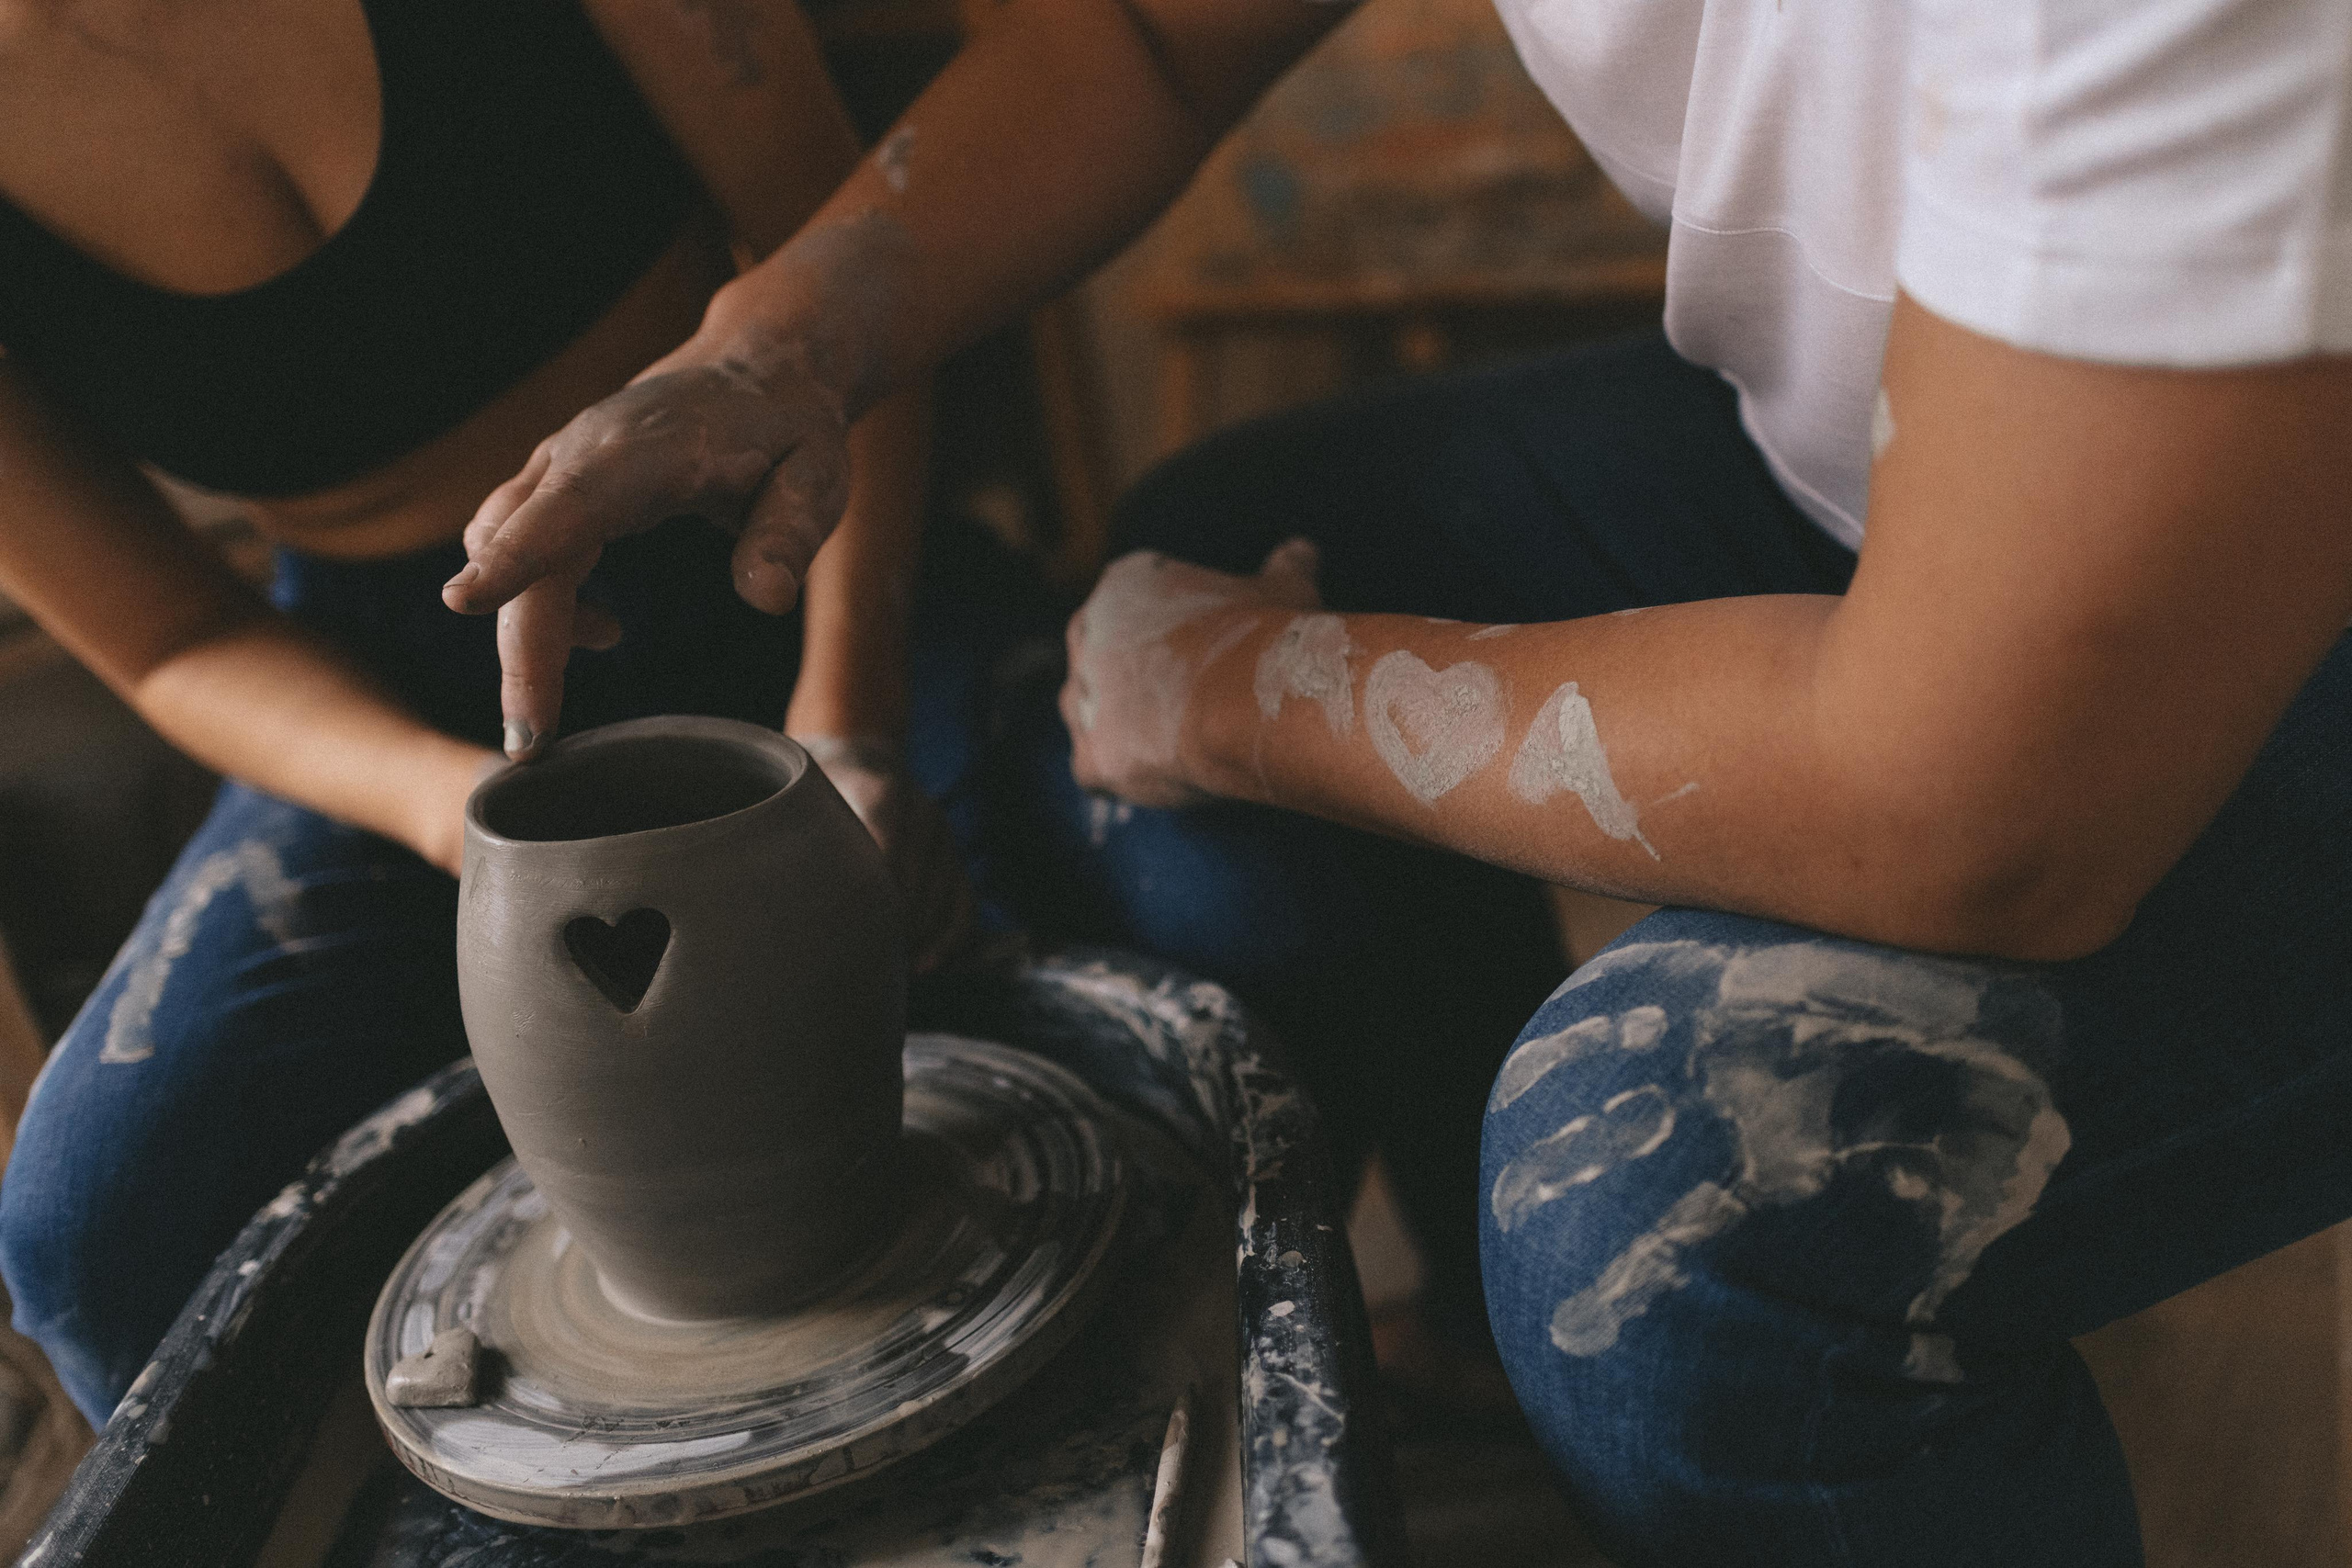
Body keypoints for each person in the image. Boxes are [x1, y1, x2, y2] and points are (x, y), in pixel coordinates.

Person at [447, 0, 2352, 1560]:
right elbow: (1146, 39)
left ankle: (1695, 1396)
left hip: (2259, 609)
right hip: (1936, 463)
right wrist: (774, 344)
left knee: (1661, 1222)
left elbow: (1973, 806)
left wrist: (1241, 690)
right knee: (1235, 541)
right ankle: (1490, 1375)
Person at [0, 0, 969, 1427]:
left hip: (783, 533)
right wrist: (458, 817)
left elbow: (869, 279)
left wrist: (852, 715)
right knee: (101, 1227)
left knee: (1137, 913)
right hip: (388, 693)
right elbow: (170, 642)